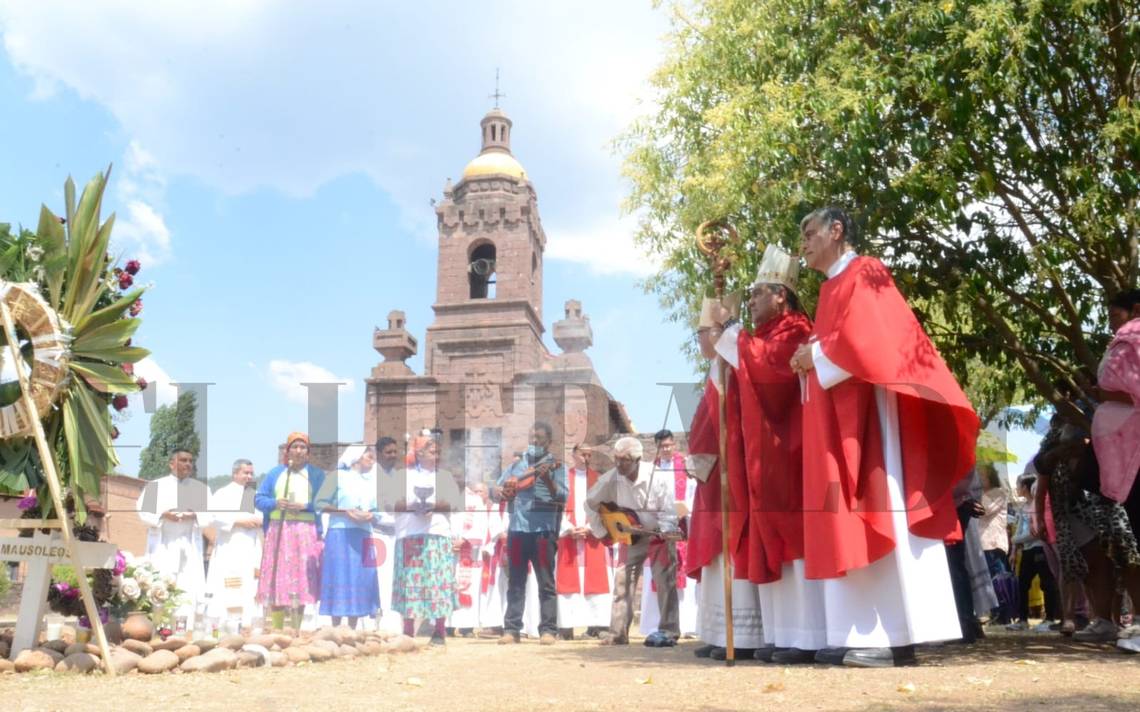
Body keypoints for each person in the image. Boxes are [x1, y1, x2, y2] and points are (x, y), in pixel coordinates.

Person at [789, 206, 979, 667]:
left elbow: (870, 339)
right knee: (848, 514)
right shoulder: (832, 284)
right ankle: (858, 630)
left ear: (837, 231)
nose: (804, 244)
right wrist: (812, 357)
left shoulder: (865, 270)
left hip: (874, 414)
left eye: (810, 233)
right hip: (843, 412)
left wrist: (814, 356)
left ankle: (893, 633)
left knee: (880, 506)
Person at [712, 246, 824, 663]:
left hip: (787, 451)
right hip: (763, 455)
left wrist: (731, 333)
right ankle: (780, 633)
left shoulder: (796, 330)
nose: (753, 300)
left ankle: (807, 635)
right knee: (769, 538)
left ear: (781, 295)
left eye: (758, 293)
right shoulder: (761, 336)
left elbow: (772, 372)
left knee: (791, 536)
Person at [587, 436, 681, 646]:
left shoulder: (658, 477)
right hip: (630, 537)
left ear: (638, 460)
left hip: (657, 534)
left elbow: (668, 512)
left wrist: (664, 533)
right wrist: (603, 533)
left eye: (625, 460)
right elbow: (590, 504)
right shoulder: (610, 479)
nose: (619, 464)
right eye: (617, 459)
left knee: (665, 581)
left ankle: (669, 631)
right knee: (623, 582)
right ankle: (618, 633)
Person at [494, 422, 568, 645]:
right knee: (515, 581)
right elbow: (497, 490)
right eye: (532, 437)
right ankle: (512, 629)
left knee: (546, 582)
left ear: (549, 442)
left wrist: (547, 480)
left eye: (540, 439)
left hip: (543, 531)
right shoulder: (517, 465)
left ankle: (548, 630)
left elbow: (563, 497)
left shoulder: (556, 466)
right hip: (517, 528)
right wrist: (501, 491)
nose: (535, 442)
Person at [388, 434, 462, 645]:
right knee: (410, 582)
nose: (436, 455)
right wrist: (415, 506)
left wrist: (432, 506)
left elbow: (453, 504)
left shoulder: (445, 477)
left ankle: (439, 631)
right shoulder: (403, 476)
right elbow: (393, 504)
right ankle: (409, 631)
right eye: (432, 451)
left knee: (437, 582)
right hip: (410, 534)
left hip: (437, 534)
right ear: (419, 453)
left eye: (438, 452)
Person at [255, 432, 326, 631]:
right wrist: (275, 503)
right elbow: (259, 499)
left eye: (303, 447)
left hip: (305, 532)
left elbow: (326, 502)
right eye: (295, 447)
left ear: (308, 452)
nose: (299, 450)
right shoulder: (275, 473)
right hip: (279, 531)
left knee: (301, 579)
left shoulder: (317, 475)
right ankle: (277, 630)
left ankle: (296, 628)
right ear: (288, 451)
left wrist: (305, 506)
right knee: (277, 578)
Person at [136, 448, 209, 630]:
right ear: (172, 463)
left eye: (190, 461)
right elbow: (143, 512)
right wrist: (163, 515)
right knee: (161, 584)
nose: (188, 464)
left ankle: (184, 629)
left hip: (189, 545)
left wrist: (194, 515)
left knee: (187, 588)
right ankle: (159, 628)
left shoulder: (201, 489)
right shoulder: (155, 486)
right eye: (183, 460)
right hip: (164, 544)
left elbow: (211, 515)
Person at [639, 430, 698, 639]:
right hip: (658, 530)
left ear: (674, 445)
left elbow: (693, 492)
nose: (666, 449)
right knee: (659, 576)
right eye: (663, 446)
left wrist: (686, 509)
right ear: (656, 447)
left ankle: (687, 623)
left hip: (681, 526)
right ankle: (656, 624)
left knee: (683, 576)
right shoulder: (650, 470)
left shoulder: (685, 466)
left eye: (669, 445)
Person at [316, 446, 381, 628]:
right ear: (357, 457)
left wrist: (372, 516)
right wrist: (344, 512)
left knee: (361, 577)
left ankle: (353, 627)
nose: (372, 459)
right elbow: (319, 503)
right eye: (369, 455)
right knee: (339, 576)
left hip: (363, 533)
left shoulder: (371, 481)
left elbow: (378, 509)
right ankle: (336, 627)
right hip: (340, 533)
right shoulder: (337, 477)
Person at [556, 444, 613, 639]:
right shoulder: (561, 479)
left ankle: (598, 625)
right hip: (569, 538)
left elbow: (606, 508)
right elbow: (555, 508)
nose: (586, 458)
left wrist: (589, 528)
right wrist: (568, 528)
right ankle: (566, 627)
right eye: (582, 454)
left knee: (597, 580)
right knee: (567, 581)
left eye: (589, 455)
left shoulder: (599, 480)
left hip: (592, 538)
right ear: (573, 455)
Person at [205, 458, 263, 629]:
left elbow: (262, 515)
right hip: (230, 545)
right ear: (235, 473)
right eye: (246, 472)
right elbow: (214, 517)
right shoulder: (223, 493)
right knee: (229, 583)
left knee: (250, 584)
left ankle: (248, 621)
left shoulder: (253, 494)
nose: (249, 476)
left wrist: (258, 520)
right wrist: (238, 521)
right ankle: (225, 622)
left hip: (250, 545)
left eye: (251, 473)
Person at [1008, 474, 1061, 630]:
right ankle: (1022, 619)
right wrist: (1014, 549)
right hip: (1026, 550)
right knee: (1022, 584)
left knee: (1047, 583)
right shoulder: (1023, 508)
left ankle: (1050, 618)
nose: (1017, 488)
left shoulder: (1037, 508)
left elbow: (1034, 532)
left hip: (1039, 548)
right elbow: (1018, 530)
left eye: (1019, 485)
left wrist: (1016, 540)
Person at [450, 480, 492, 635]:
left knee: (469, 587)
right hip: (449, 549)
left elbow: (481, 525)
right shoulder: (446, 498)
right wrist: (449, 540)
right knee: (448, 585)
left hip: (469, 551)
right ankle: (447, 626)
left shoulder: (475, 501)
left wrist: (464, 540)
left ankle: (466, 625)